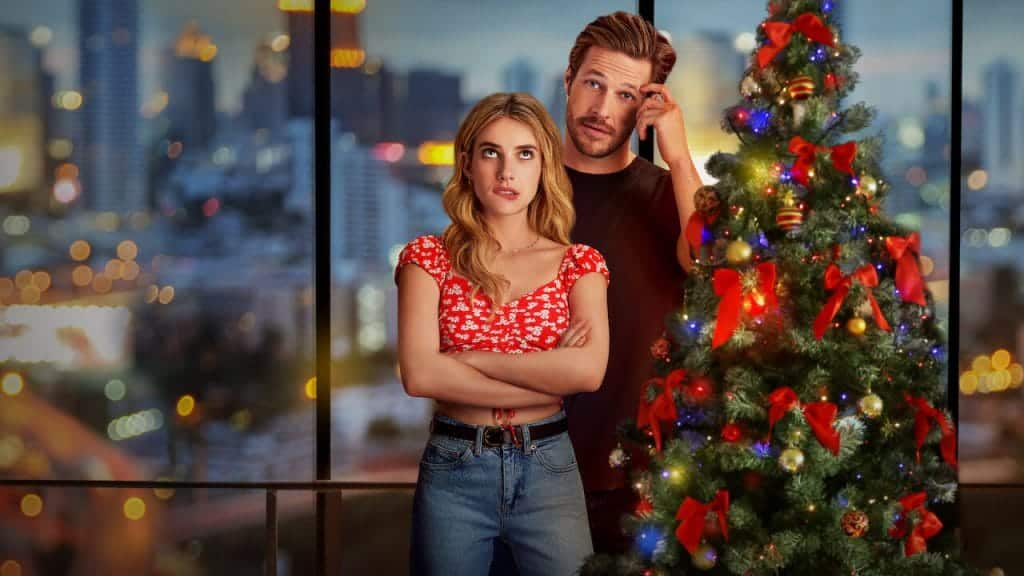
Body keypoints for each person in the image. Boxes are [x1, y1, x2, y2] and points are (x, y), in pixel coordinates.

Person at [396, 92, 611, 576]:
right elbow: (420, 375)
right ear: (468, 163)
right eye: (491, 152)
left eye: (525, 154)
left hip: (549, 467)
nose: (506, 172)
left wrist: (469, 358)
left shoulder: (579, 264)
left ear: (544, 168)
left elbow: (587, 372)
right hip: (454, 469)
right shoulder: (427, 259)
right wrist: (547, 373)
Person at [560, 11, 703, 554]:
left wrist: (679, 155)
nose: (601, 109)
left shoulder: (667, 193)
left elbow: (711, 266)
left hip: (642, 484)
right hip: (529, 475)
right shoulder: (520, 188)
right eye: (593, 83)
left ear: (646, 106)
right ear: (568, 77)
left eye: (625, 94)